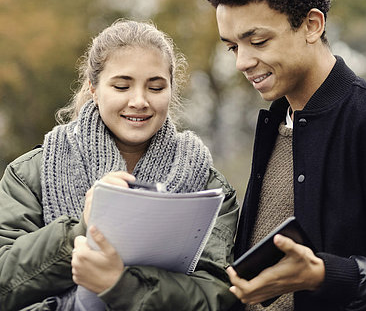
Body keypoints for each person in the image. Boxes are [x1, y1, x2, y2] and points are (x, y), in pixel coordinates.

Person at [198, 0, 366, 311]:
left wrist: (326, 275)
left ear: (311, 25)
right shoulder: (273, 122)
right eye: (232, 46)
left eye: (257, 41)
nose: (241, 62)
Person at [0, 19, 239, 311]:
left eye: (155, 87)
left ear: (171, 91)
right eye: (122, 86)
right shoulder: (30, 174)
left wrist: (121, 286)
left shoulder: (208, 187)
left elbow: (218, 295)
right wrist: (82, 230)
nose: (139, 101)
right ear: (94, 90)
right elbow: (4, 284)